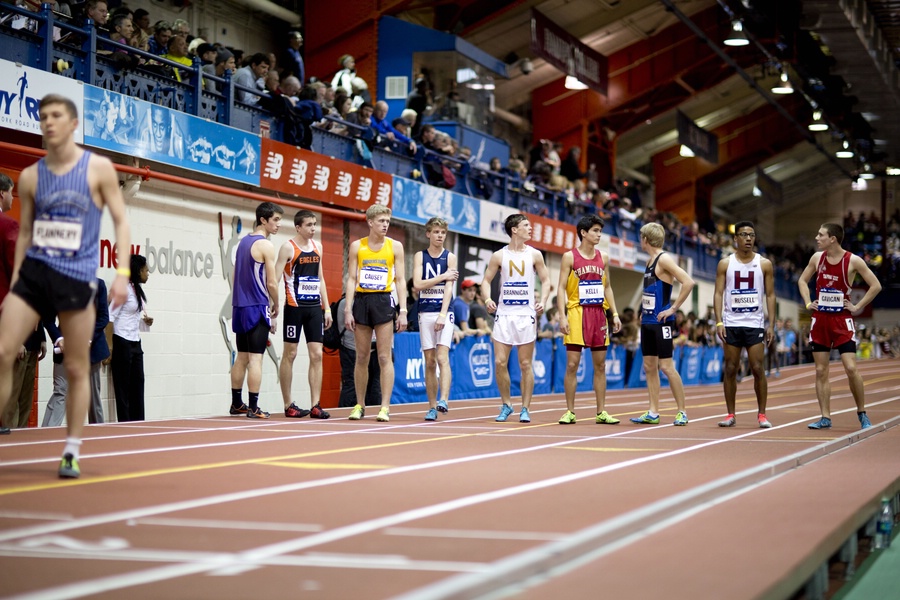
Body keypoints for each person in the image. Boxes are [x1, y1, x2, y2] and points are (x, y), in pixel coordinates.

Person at [0, 94, 130, 477]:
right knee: (4, 350)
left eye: (56, 116)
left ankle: (71, 449)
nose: (48, 122)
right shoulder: (30, 177)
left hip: (76, 277)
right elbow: (25, 234)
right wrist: (16, 282)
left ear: (73, 124)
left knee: (75, 368)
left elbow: (121, 221)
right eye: (43, 117)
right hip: (35, 276)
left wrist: (121, 274)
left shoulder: (99, 169)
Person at [797, 223, 882, 430]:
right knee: (820, 370)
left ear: (832, 238)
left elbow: (876, 285)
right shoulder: (817, 258)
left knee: (851, 368)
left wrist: (857, 306)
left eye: (821, 235)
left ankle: (862, 413)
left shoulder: (853, 260)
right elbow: (802, 280)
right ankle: (825, 417)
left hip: (842, 320)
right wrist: (808, 303)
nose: (817, 238)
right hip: (821, 320)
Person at [481, 213, 551, 423]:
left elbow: (546, 281)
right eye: (526, 225)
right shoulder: (499, 256)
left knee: (525, 364)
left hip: (526, 315)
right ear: (514, 229)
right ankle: (506, 404)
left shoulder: (535, 255)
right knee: (500, 362)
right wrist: (487, 299)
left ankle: (525, 408)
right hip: (504, 314)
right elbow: (485, 281)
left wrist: (544, 300)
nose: (530, 229)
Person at [556, 214, 622, 425]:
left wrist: (615, 313)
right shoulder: (569, 257)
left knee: (600, 365)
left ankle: (601, 412)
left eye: (600, 231)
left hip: (598, 315)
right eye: (595, 231)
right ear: (583, 233)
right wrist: (562, 316)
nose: (598, 235)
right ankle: (570, 411)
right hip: (577, 313)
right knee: (572, 365)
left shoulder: (604, 258)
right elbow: (560, 288)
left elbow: (608, 286)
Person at [344, 204, 407, 422]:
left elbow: (400, 280)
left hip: (383, 300)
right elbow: (351, 279)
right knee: (361, 356)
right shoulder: (357, 247)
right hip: (362, 301)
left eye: (388, 222)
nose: (385, 225)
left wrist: (404, 311)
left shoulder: (395, 246)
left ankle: (385, 407)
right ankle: (359, 405)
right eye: (381, 221)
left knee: (383, 356)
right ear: (370, 222)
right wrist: (347, 309)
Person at [713, 221, 776, 428]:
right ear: (735, 239)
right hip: (731, 322)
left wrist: (771, 324)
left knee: (758, 367)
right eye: (744, 234)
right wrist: (719, 321)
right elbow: (718, 293)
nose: (748, 238)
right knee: (730, 368)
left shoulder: (764, 263)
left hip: (755, 323)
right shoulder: (725, 263)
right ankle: (730, 413)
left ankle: (762, 415)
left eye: (752, 234)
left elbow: (770, 294)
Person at [630, 222, 694, 426]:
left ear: (645, 240)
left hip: (662, 322)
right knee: (650, 366)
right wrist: (643, 311)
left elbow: (688, 282)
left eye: (641, 238)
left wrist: (673, 309)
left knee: (666, 366)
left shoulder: (663, 258)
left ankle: (682, 411)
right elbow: (650, 291)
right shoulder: (650, 261)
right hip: (648, 321)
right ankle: (653, 412)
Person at [274, 210, 331, 419]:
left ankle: (315, 404)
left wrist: (327, 308)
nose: (313, 229)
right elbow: (276, 277)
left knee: (317, 355)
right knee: (290, 354)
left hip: (314, 308)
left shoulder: (319, 247)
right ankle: (288, 403)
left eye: (315, 224)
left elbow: (321, 278)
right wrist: (272, 307)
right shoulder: (288, 247)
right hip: (294, 308)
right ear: (298, 227)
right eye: (308, 225)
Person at [229, 202, 283, 419]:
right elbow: (271, 282)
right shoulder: (265, 246)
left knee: (241, 357)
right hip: (257, 306)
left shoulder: (243, 243)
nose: (278, 224)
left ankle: (236, 404)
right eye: (276, 219)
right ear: (263, 220)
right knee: (255, 359)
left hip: (240, 307)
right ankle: (253, 406)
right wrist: (276, 303)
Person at [43, 277, 110, 426]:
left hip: (90, 349)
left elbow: (103, 318)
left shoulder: (98, 285)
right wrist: (59, 339)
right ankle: (46, 433)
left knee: (93, 397)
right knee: (61, 391)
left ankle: (99, 434)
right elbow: (48, 319)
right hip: (65, 347)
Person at [412, 217, 458, 421]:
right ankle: (431, 406)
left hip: (444, 311)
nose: (440, 236)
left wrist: (442, 313)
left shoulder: (450, 257)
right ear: (428, 234)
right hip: (425, 310)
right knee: (429, 362)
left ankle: (444, 399)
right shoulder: (419, 256)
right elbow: (418, 285)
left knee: (442, 358)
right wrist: (443, 276)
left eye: (443, 233)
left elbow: (449, 288)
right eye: (437, 232)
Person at [110, 255, 152, 421]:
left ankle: (138, 422)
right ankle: (125, 424)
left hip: (135, 342)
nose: (148, 273)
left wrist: (144, 323)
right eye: (146, 270)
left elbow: (130, 319)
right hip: (122, 342)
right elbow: (110, 318)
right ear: (138, 270)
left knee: (138, 384)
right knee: (123, 389)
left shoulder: (136, 290)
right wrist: (110, 348)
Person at [335, 295, 381, 408]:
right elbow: (348, 330)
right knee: (351, 384)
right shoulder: (346, 303)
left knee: (374, 385)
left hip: (372, 349)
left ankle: (374, 408)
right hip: (351, 348)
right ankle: (346, 409)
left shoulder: (375, 301)